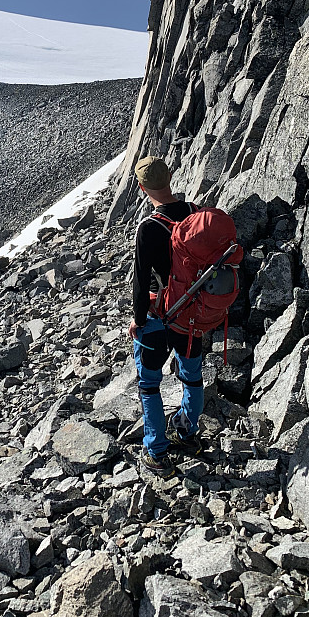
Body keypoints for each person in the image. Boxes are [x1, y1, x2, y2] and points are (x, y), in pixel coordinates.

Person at [128, 156, 205, 477]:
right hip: (192, 314)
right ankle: (187, 433)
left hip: (159, 316)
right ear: (170, 177)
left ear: (143, 187)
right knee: (192, 376)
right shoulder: (195, 213)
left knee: (149, 385)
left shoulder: (148, 228)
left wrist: (138, 319)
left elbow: (140, 278)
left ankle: (157, 451)